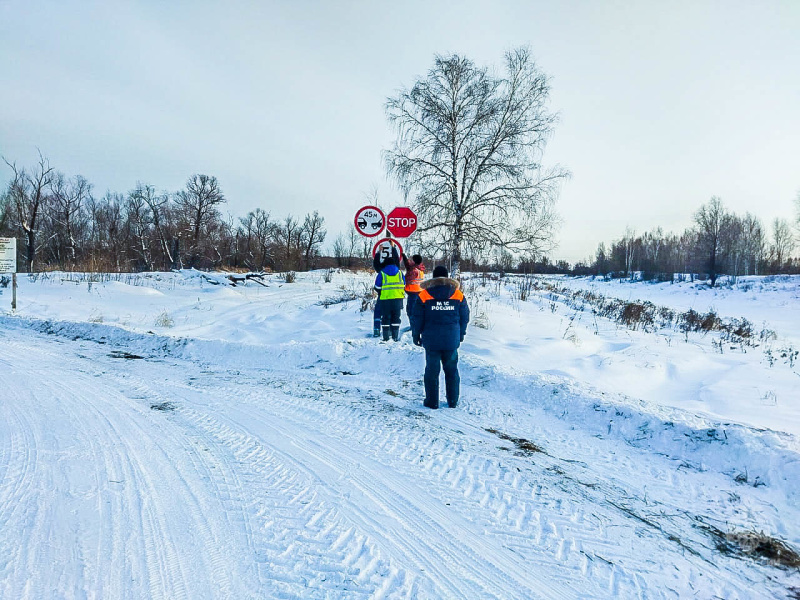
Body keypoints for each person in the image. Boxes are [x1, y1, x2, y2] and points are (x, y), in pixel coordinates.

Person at [412, 265, 469, 408]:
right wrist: (461, 333)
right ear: (447, 277)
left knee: (432, 371)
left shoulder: (424, 295)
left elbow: (417, 317)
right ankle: (453, 401)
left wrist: (416, 334)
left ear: (433, 278)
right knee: (452, 370)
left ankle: (432, 402)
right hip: (451, 340)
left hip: (431, 341)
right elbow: (465, 317)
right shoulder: (458, 294)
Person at [374, 250, 405, 342]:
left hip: (385, 299)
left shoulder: (382, 273)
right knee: (396, 318)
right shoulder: (400, 273)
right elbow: (404, 284)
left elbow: (377, 287)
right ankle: (395, 337)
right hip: (398, 299)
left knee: (385, 318)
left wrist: (381, 292)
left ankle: (386, 338)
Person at [401, 253, 425, 328]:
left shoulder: (413, 269)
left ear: (414, 261)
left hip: (413, 292)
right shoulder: (420, 269)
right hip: (419, 292)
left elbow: (407, 265)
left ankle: (414, 326)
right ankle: (416, 325)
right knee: (417, 310)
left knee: (411, 311)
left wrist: (404, 257)